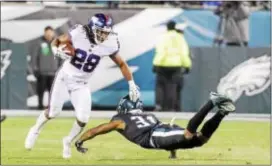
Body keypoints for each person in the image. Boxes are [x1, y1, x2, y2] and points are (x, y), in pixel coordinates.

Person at [25, 13, 141, 159]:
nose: (104, 35)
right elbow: (56, 41)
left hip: (81, 84)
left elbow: (122, 64)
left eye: (106, 32)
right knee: (53, 112)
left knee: (83, 118)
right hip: (65, 77)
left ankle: (67, 141)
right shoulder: (79, 33)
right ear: (92, 29)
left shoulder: (110, 43)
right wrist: (57, 51)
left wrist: (131, 83)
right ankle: (35, 130)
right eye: (101, 31)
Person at [74, 92, 235, 159]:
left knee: (188, 135)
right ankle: (222, 112)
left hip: (152, 136)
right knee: (200, 140)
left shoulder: (120, 120)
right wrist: (172, 154)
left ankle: (211, 102)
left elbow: (98, 129)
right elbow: (167, 133)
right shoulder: (146, 114)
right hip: (160, 130)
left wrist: (80, 140)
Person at [153, 20, 192, 112]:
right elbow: (184, 53)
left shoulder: (163, 37)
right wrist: (187, 65)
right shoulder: (180, 38)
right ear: (175, 27)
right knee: (173, 86)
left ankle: (159, 105)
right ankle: (171, 107)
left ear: (167, 27)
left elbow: (161, 51)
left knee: (160, 85)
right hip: (176, 65)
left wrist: (156, 63)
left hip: (162, 64)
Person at [32, 26, 60, 109]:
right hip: (42, 72)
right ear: (44, 33)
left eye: (50, 32)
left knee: (52, 92)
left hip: (53, 72)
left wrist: (60, 68)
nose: (49, 34)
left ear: (53, 33)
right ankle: (40, 106)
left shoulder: (57, 43)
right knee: (40, 91)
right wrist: (35, 69)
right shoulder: (39, 43)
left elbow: (61, 56)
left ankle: (51, 106)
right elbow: (34, 57)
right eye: (47, 33)